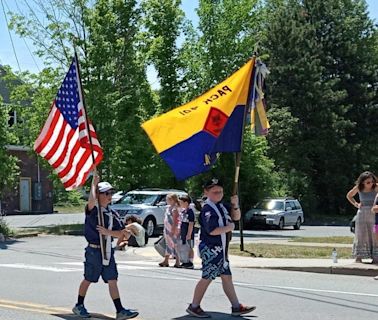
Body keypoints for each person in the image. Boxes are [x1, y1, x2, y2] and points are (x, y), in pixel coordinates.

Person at [186, 178, 256, 318]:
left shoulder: (222, 206)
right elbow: (212, 230)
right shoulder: (208, 210)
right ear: (206, 192)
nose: (218, 193)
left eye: (220, 191)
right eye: (214, 191)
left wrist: (235, 205)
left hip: (222, 250)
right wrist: (228, 228)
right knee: (207, 277)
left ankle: (236, 307)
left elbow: (236, 217)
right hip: (211, 250)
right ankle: (194, 306)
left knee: (227, 277)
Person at [72, 175, 139, 320]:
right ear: (98, 195)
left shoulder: (111, 213)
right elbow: (90, 202)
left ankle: (120, 310)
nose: (110, 196)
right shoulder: (93, 210)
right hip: (94, 250)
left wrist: (114, 233)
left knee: (112, 279)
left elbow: (121, 232)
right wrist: (93, 185)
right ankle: (79, 305)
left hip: (107, 250)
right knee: (88, 278)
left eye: (111, 193)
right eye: (106, 193)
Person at [346, 171, 378, 263]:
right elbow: (349, 195)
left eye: (372, 181)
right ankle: (359, 256)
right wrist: (356, 204)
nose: (370, 184)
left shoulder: (376, 187)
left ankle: (375, 257)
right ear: (363, 182)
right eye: (368, 182)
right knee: (360, 234)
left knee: (374, 234)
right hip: (362, 212)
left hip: (374, 213)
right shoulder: (359, 188)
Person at [159, 193, 181, 267]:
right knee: (168, 244)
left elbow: (175, 220)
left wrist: (173, 229)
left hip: (173, 229)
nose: (167, 201)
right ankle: (166, 260)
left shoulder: (175, 208)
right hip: (167, 228)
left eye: (169, 199)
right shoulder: (168, 208)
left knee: (175, 244)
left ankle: (178, 261)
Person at [178, 195, 195, 269]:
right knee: (184, 247)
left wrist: (189, 234)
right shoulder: (183, 211)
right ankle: (185, 261)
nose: (180, 204)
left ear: (186, 202)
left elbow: (191, 223)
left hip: (188, 232)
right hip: (183, 232)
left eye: (181, 202)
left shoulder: (190, 211)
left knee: (190, 247)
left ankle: (190, 262)